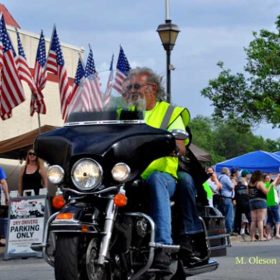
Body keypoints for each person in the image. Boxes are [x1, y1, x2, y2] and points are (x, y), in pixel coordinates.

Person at [122, 67, 205, 268]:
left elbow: (181, 145)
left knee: (156, 179)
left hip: (164, 177)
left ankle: (163, 246)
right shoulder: (123, 114)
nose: (131, 91)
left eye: (136, 86)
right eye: (128, 87)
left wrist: (174, 145)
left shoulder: (170, 113)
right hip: (127, 175)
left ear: (152, 88)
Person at [248, 170, 271, 241]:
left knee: (253, 220)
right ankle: (261, 237)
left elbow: (248, 193)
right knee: (260, 220)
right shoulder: (260, 183)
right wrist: (270, 186)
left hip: (252, 201)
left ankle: (252, 237)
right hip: (261, 201)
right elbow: (266, 192)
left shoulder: (250, 184)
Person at [233, 170, 251, 238]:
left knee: (240, 217)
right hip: (245, 203)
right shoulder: (244, 183)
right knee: (247, 217)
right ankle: (240, 230)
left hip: (241, 203)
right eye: (248, 174)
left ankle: (241, 230)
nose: (249, 175)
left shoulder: (239, 185)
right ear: (246, 175)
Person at [218, 167, 235, 234]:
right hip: (227, 198)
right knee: (229, 215)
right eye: (229, 171)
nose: (229, 173)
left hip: (221, 197)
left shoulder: (219, 177)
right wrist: (233, 183)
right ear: (226, 172)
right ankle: (229, 230)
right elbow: (231, 187)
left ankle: (223, 230)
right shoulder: (225, 178)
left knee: (223, 215)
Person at [265, 174, 280, 240]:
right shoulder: (268, 184)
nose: (269, 179)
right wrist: (277, 176)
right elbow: (274, 183)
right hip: (273, 204)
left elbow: (276, 183)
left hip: (269, 204)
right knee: (277, 219)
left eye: (269, 178)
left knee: (269, 220)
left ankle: (268, 235)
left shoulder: (265, 185)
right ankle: (277, 233)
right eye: (267, 178)